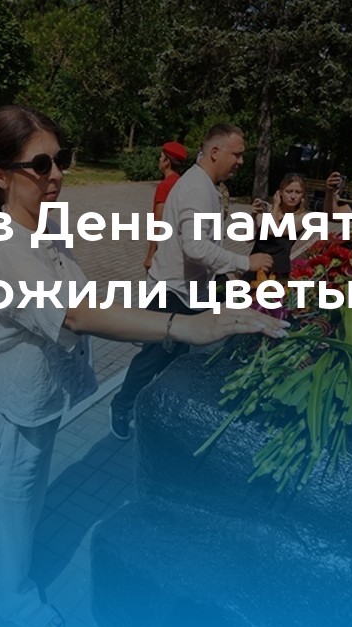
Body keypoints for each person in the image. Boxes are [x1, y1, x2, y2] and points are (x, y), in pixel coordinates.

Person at [0, 105, 287, 627]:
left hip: (34, 399)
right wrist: (183, 325)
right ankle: (11, 597)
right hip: (5, 408)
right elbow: (75, 314)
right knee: (6, 509)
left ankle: (3, 577)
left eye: (61, 159)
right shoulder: (5, 248)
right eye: (40, 165)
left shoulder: (45, 229)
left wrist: (147, 319)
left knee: (20, 501)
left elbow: (85, 300)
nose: (56, 174)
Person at [110, 124, 274, 439]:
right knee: (153, 356)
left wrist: (226, 276)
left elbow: (205, 243)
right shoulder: (197, 188)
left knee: (176, 356)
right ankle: (122, 405)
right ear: (215, 152)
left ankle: (158, 407)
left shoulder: (207, 186)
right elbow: (196, 247)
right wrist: (245, 262)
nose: (241, 161)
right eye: (237, 154)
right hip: (171, 291)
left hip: (190, 291)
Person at [247, 173, 309, 277]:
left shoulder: (302, 217)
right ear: (280, 192)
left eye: (298, 192)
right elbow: (248, 238)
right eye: (289, 191)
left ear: (303, 195)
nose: (293, 196)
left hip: (277, 271)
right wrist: (253, 215)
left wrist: (275, 205)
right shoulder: (268, 210)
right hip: (255, 266)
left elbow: (275, 231)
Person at [142, 141, 189, 271]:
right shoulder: (182, 183)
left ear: (167, 162)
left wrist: (150, 255)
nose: (159, 159)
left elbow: (159, 221)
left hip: (162, 248)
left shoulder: (165, 185)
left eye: (161, 157)